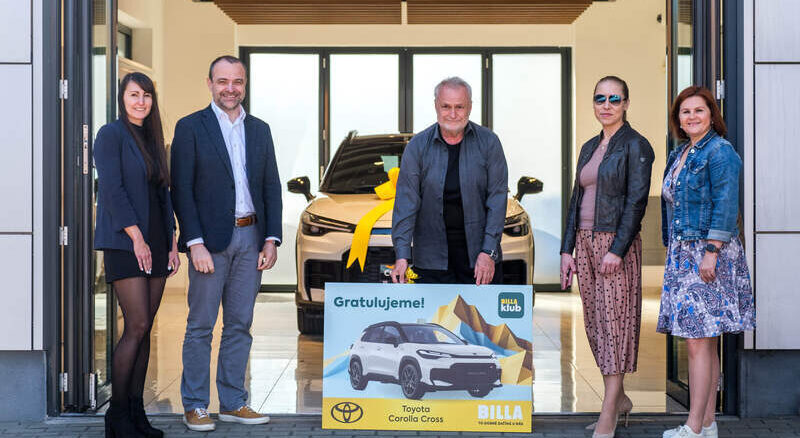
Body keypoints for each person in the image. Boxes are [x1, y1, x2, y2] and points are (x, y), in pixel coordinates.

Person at [171, 55, 282, 432]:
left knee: (239, 324)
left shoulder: (261, 129)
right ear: (210, 84)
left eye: (237, 82)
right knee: (200, 325)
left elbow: (271, 186)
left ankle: (234, 402)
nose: (230, 89)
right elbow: (181, 189)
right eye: (223, 81)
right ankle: (195, 405)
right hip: (209, 242)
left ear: (244, 85)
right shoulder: (191, 127)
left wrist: (271, 238)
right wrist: (194, 243)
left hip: (251, 238)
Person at [560, 76, 654, 438]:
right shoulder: (589, 146)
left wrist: (618, 248)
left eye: (615, 98)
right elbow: (576, 200)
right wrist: (566, 249)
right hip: (583, 242)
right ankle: (620, 399)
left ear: (626, 103)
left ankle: (609, 411)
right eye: (600, 98)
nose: (607, 105)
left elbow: (636, 202)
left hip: (614, 244)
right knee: (596, 324)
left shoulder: (636, 145)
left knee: (615, 325)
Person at [658, 86, 755, 438]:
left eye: (699, 110)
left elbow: (726, 205)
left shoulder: (720, 151)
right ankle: (708, 424)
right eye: (685, 112)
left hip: (708, 254)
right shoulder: (680, 153)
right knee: (705, 341)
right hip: (685, 255)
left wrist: (711, 251)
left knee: (698, 341)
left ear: (712, 115)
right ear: (678, 119)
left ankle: (693, 427)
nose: (692, 117)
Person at [94, 72, 180, 438]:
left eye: (146, 95)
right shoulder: (110, 135)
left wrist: (172, 240)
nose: (140, 101)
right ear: (122, 98)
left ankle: (136, 413)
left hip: (157, 241)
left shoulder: (154, 139)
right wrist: (137, 239)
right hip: (125, 242)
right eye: (134, 95)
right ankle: (116, 415)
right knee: (137, 325)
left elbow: (163, 194)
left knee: (145, 331)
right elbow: (112, 191)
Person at [390, 77, 508, 285]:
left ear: (470, 107)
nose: (453, 114)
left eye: (459, 107)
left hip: (479, 259)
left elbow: (497, 201)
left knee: (478, 309)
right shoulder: (417, 147)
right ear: (436, 105)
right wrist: (402, 256)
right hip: (430, 260)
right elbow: (406, 204)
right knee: (432, 309)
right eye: (446, 106)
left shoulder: (489, 143)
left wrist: (488, 252)